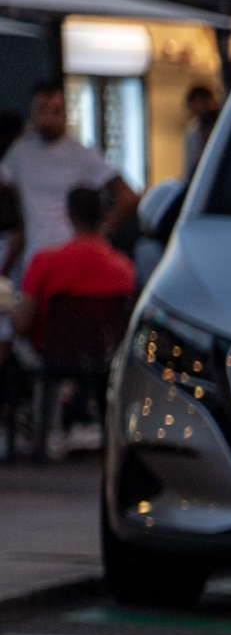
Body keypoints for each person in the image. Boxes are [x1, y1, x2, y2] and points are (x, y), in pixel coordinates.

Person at [12, 185, 134, 457]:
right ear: (104, 215)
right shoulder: (123, 267)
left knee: (19, 346)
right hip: (101, 355)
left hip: (50, 354)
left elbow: (22, 326)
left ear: (69, 215)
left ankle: (40, 432)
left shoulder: (46, 261)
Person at [2, 80, 133, 281]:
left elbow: (127, 196)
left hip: (74, 260)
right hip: (35, 260)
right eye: (42, 110)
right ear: (31, 113)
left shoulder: (82, 153)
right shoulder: (20, 153)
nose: (49, 118)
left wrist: (100, 234)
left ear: (65, 113)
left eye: (56, 111)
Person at [181, 84, 221, 178]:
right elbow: (189, 168)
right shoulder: (191, 132)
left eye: (203, 103)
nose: (200, 108)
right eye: (195, 107)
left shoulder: (227, 122)